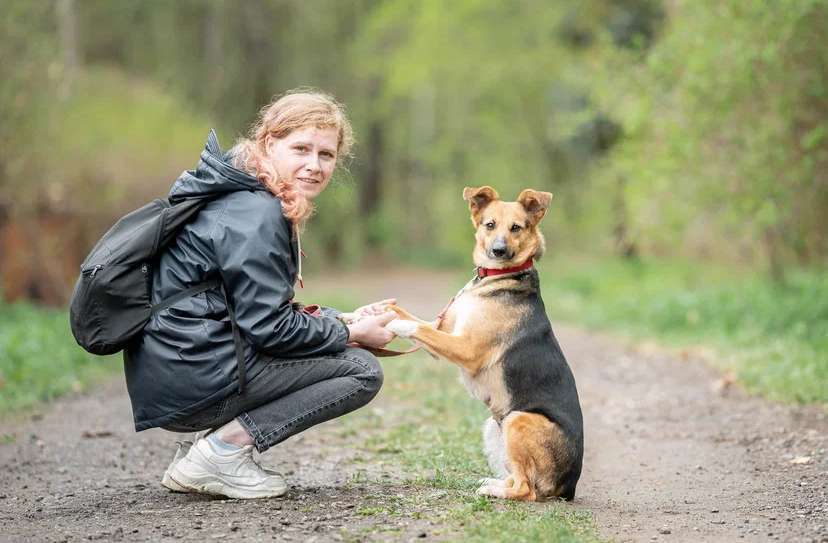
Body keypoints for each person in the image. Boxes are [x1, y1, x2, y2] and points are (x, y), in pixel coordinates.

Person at [123, 90, 397, 499]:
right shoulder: (257, 213)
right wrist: (351, 335)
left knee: (345, 350)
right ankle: (221, 451)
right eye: (301, 148)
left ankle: (206, 454)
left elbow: (255, 312)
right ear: (270, 143)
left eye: (326, 155)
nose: (314, 165)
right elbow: (270, 329)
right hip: (194, 378)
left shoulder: (245, 194)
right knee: (360, 370)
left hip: (184, 368)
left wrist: (344, 319)